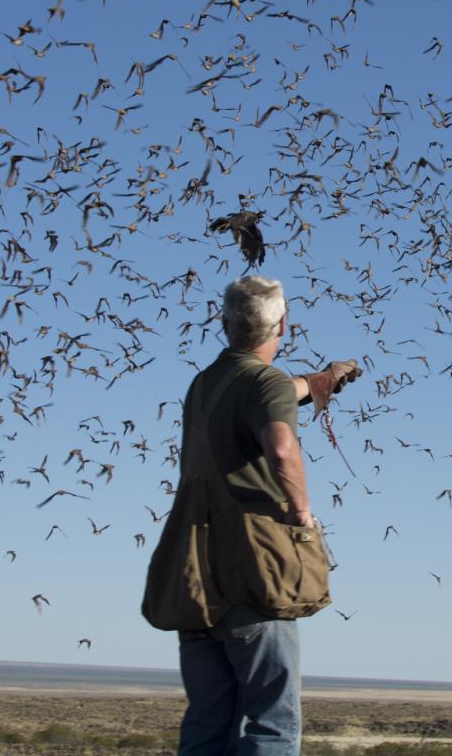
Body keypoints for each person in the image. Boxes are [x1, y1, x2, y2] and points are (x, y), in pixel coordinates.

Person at [156, 275, 360, 756]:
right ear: (284, 323)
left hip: (194, 579)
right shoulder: (263, 383)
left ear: (224, 322)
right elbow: (282, 447)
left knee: (208, 725)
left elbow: (264, 392)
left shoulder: (203, 384)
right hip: (253, 574)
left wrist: (317, 383)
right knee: (272, 724)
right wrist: (302, 517)